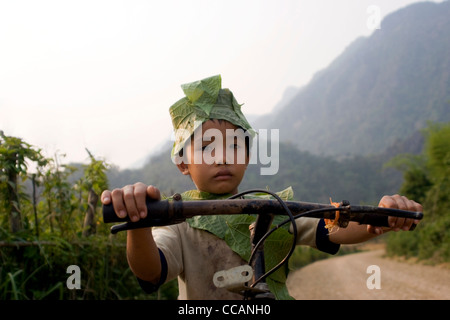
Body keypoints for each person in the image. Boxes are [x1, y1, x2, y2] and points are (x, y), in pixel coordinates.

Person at [101, 75, 423, 300]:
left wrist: (378, 219)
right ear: (183, 163)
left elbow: (330, 226)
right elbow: (151, 270)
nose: (223, 156)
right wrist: (139, 223)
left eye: (234, 146)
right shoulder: (179, 220)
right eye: (207, 147)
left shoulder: (269, 206)